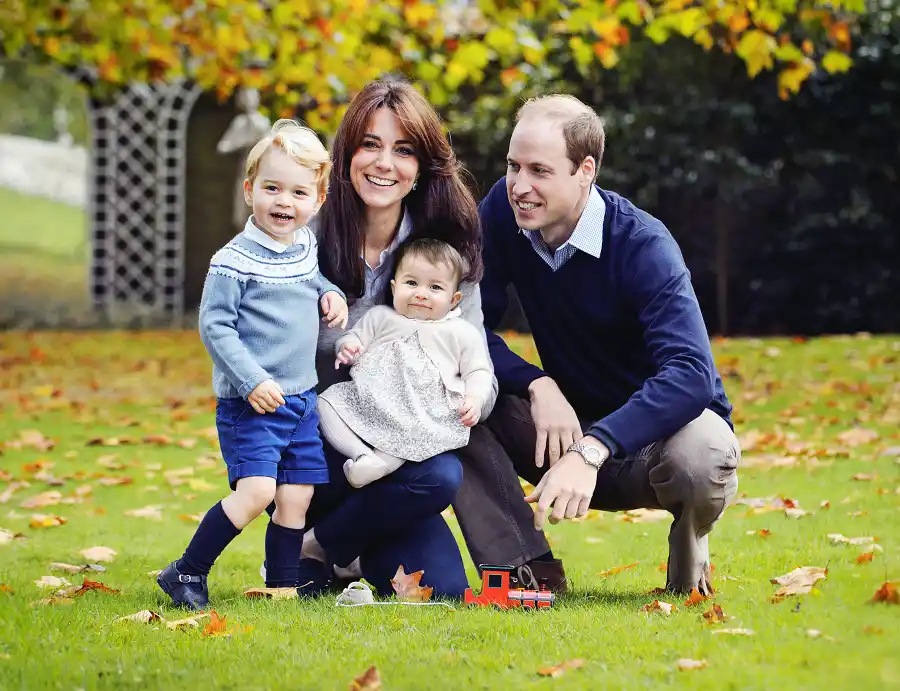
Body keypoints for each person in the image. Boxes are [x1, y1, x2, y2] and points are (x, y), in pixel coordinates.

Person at [454, 94, 740, 596]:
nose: (520, 186)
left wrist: (593, 448)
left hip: (653, 445)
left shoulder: (643, 245)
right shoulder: (502, 210)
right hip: (560, 429)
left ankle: (689, 555)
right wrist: (537, 383)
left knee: (706, 452)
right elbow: (463, 327)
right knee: (451, 394)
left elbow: (692, 374)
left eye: (540, 171)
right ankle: (526, 570)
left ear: (585, 170)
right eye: (513, 166)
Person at [265, 78, 496, 599]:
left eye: (403, 150)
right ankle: (314, 533)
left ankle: (320, 546)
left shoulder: (446, 254)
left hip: (401, 463)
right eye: (370, 144)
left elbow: (477, 365)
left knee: (443, 575)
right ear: (346, 154)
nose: (384, 163)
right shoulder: (303, 236)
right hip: (314, 448)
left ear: (422, 167)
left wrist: (460, 397)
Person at [157, 120, 349, 610]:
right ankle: (186, 571)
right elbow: (215, 327)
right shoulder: (232, 261)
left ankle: (281, 586)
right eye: (272, 188)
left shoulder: (304, 247)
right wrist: (251, 380)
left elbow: (313, 281)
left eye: (298, 192)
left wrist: (330, 293)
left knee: (296, 497)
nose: (284, 202)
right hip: (253, 403)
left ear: (318, 200)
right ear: (250, 191)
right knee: (258, 491)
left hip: (301, 399)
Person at [318, 238, 493, 488]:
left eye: (435, 287)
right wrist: (348, 348)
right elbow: (354, 338)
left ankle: (380, 464)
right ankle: (362, 456)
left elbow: (478, 371)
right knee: (325, 403)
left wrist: (475, 398)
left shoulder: (460, 332)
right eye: (411, 283)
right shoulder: (380, 317)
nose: (420, 293)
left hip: (420, 411)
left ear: (454, 299)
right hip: (369, 399)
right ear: (394, 287)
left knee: (409, 434)